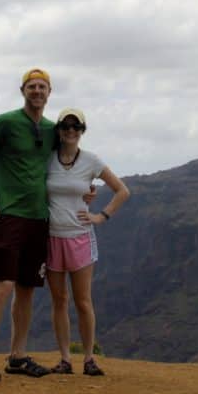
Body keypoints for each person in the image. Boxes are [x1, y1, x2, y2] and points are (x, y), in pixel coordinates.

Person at [0, 68, 57, 385]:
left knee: (27, 289)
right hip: (9, 215)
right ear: (23, 91)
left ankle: (17, 356)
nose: (37, 91)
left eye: (42, 86)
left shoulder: (51, 129)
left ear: (49, 92)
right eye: (32, 86)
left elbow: (67, 164)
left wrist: (87, 190)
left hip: (40, 218)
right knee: (3, 284)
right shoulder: (5, 122)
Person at [45, 107, 130, 376]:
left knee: (83, 301)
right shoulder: (47, 160)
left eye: (76, 126)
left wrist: (101, 216)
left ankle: (89, 359)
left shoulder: (91, 161)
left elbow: (122, 190)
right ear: (59, 130)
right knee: (59, 300)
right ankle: (65, 359)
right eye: (66, 126)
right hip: (51, 237)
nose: (71, 131)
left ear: (82, 131)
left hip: (80, 237)